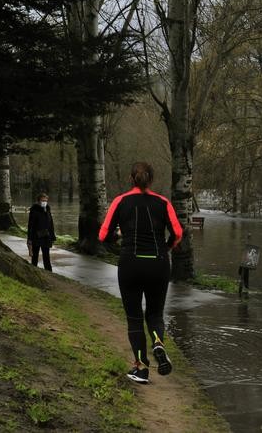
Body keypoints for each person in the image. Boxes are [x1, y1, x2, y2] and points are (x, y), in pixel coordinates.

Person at [98, 162, 183, 384]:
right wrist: (166, 248)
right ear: (151, 180)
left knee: (134, 319)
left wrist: (117, 239)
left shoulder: (120, 201)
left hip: (131, 264)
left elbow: (102, 235)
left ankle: (141, 367)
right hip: (159, 264)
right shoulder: (163, 202)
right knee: (155, 314)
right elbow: (177, 232)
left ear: (131, 178)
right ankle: (158, 343)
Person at [27, 193, 56, 272]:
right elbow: (30, 226)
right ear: (39, 201)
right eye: (43, 200)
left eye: (46, 200)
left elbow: (51, 224)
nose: (44, 202)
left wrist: (53, 236)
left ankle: (49, 273)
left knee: (46, 257)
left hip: (46, 237)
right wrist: (29, 239)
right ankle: (33, 271)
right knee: (35, 257)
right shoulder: (34, 210)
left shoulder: (48, 209)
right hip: (36, 237)